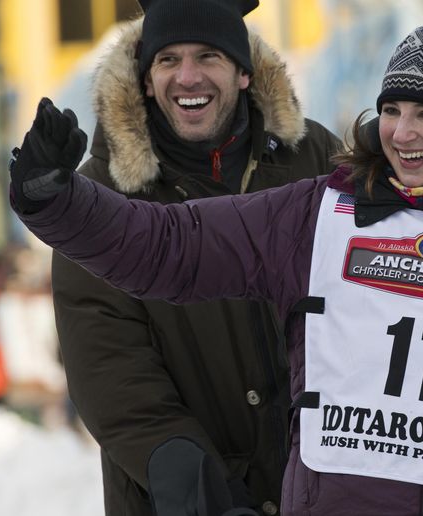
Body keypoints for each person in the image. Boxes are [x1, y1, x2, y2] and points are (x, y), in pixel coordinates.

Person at [9, 22, 423, 516]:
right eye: (392, 109)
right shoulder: (325, 209)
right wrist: (57, 199)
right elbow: (172, 246)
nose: (402, 133)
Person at [43, 0, 342, 515]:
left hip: (322, 492)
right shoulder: (101, 195)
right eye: (167, 60)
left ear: (243, 73)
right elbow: (110, 366)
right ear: (144, 78)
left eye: (208, 56)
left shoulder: (315, 159)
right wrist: (197, 484)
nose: (187, 77)